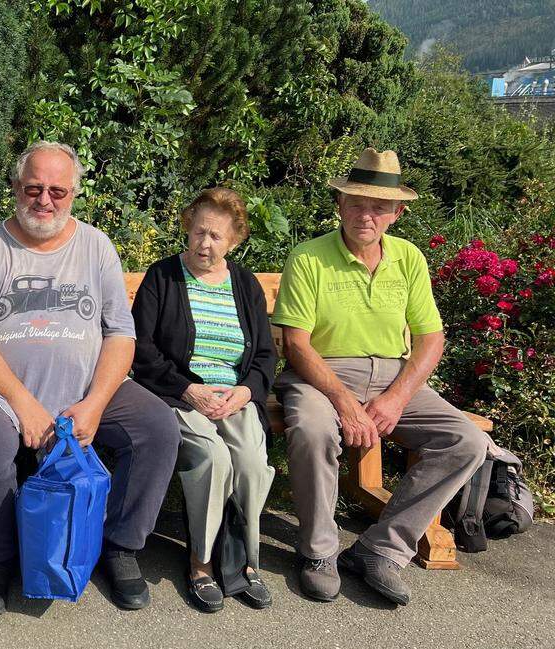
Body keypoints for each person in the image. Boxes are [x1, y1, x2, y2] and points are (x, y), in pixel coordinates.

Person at [0, 141, 180, 615]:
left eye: (57, 190)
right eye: (33, 188)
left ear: (73, 193)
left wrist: (94, 402)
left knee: (156, 427)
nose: (44, 200)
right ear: (15, 188)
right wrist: (24, 402)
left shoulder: (96, 247)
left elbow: (120, 334)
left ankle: (119, 546)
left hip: (86, 386)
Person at [273, 148, 493, 607]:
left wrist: (395, 399)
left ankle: (381, 550)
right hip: (321, 375)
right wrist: (345, 402)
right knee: (313, 430)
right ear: (339, 205)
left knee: (466, 441)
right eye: (356, 202)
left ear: (397, 213)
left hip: (394, 377)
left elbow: (431, 339)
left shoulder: (410, 259)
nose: (365, 215)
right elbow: (296, 344)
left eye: (378, 206)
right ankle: (319, 552)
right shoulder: (308, 257)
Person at [131, 188, 277, 613]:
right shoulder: (163, 277)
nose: (204, 244)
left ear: (233, 241)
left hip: (233, 397)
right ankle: (201, 562)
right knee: (213, 458)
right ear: (187, 229)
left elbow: (265, 354)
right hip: (178, 395)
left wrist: (245, 392)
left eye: (216, 236)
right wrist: (187, 389)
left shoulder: (245, 285)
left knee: (250, 460)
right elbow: (142, 348)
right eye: (198, 232)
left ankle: (246, 561)